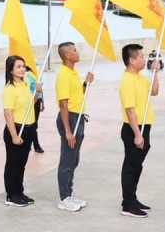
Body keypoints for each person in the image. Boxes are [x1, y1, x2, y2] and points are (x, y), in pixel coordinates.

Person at [119, 44, 160, 218]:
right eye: (141, 57)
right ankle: (128, 204)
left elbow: (155, 91)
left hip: (144, 127)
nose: (145, 59)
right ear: (132, 60)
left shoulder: (140, 78)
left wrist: (155, 72)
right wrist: (137, 134)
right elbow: (130, 110)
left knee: (137, 166)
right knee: (131, 166)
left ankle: (132, 198)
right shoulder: (127, 81)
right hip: (134, 129)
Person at [55, 42, 94, 212]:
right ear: (68, 56)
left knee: (74, 159)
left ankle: (69, 194)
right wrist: (68, 131)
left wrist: (85, 83)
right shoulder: (63, 75)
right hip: (69, 118)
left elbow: (77, 94)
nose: (77, 52)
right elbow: (63, 104)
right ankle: (63, 198)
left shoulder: (72, 73)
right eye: (74, 50)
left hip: (78, 117)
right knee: (67, 160)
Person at [2, 56, 42, 207]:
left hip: (29, 128)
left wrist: (37, 93)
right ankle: (11, 195)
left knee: (21, 164)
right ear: (10, 70)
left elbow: (30, 104)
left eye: (23, 66)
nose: (22, 69)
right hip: (17, 129)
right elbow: (8, 113)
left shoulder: (25, 83)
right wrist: (14, 135)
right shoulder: (9, 90)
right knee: (13, 163)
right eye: (18, 67)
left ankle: (19, 192)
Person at [25, 64, 45, 153]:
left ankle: (29, 144)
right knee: (33, 124)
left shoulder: (37, 76)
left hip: (38, 100)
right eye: (36, 66)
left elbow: (40, 89)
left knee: (34, 124)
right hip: (32, 101)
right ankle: (36, 146)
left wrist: (42, 101)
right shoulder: (27, 77)